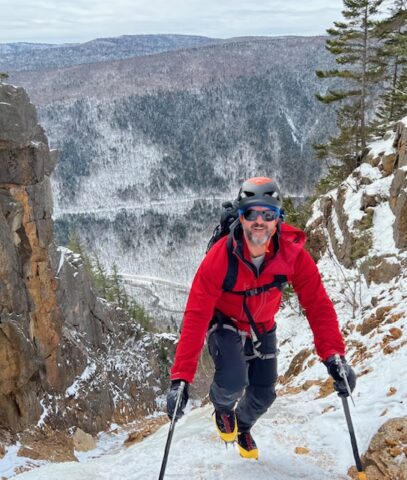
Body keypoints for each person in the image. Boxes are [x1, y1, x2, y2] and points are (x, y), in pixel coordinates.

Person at [166, 176, 356, 460]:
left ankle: (242, 426)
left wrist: (334, 356)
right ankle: (223, 409)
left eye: (268, 214)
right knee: (232, 381)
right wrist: (180, 379)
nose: (259, 221)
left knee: (265, 394)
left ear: (278, 218)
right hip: (225, 321)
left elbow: (318, 305)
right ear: (240, 217)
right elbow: (196, 316)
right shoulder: (220, 258)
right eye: (250, 213)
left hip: (263, 325)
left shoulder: (293, 256)